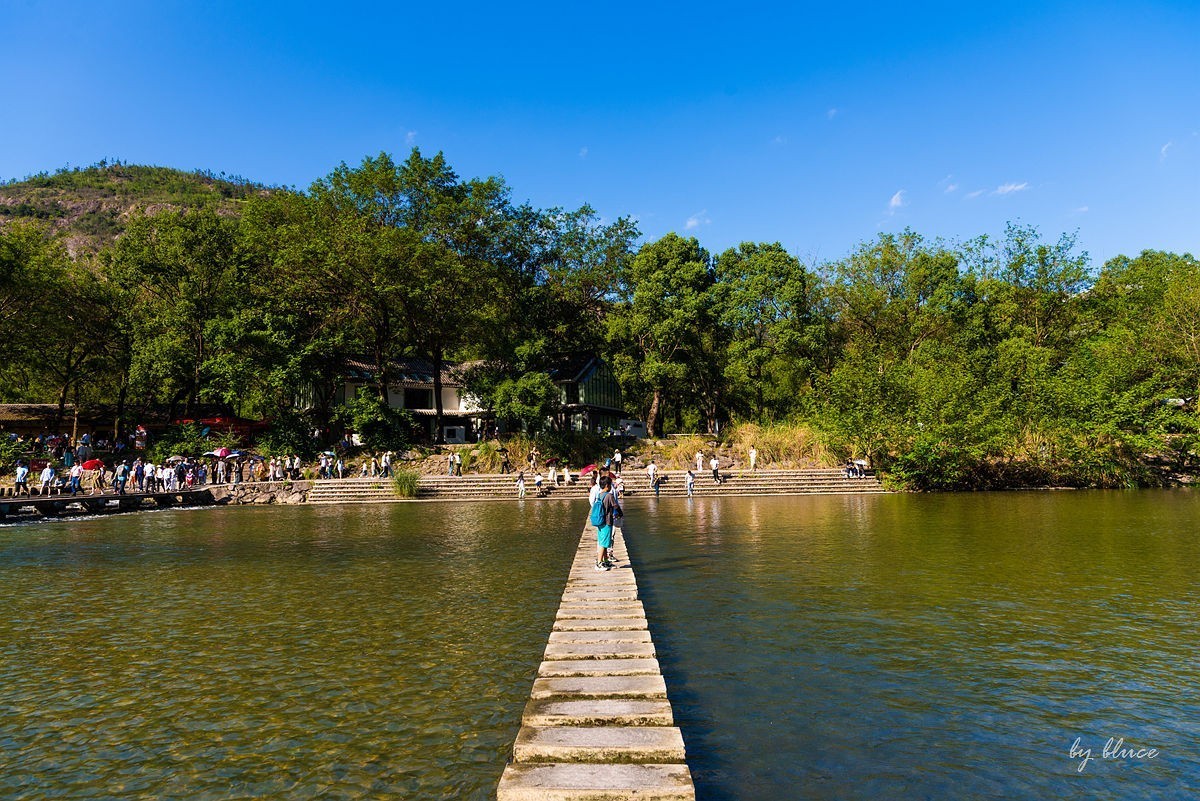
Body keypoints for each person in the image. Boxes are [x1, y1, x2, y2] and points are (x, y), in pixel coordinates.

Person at [592, 474, 623, 571]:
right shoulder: (609, 496)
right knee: (603, 544)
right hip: (607, 522)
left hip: (600, 522)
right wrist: (620, 514)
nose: (611, 487)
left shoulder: (599, 495)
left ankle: (605, 561)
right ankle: (599, 563)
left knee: (604, 542)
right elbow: (616, 506)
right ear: (607, 486)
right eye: (610, 485)